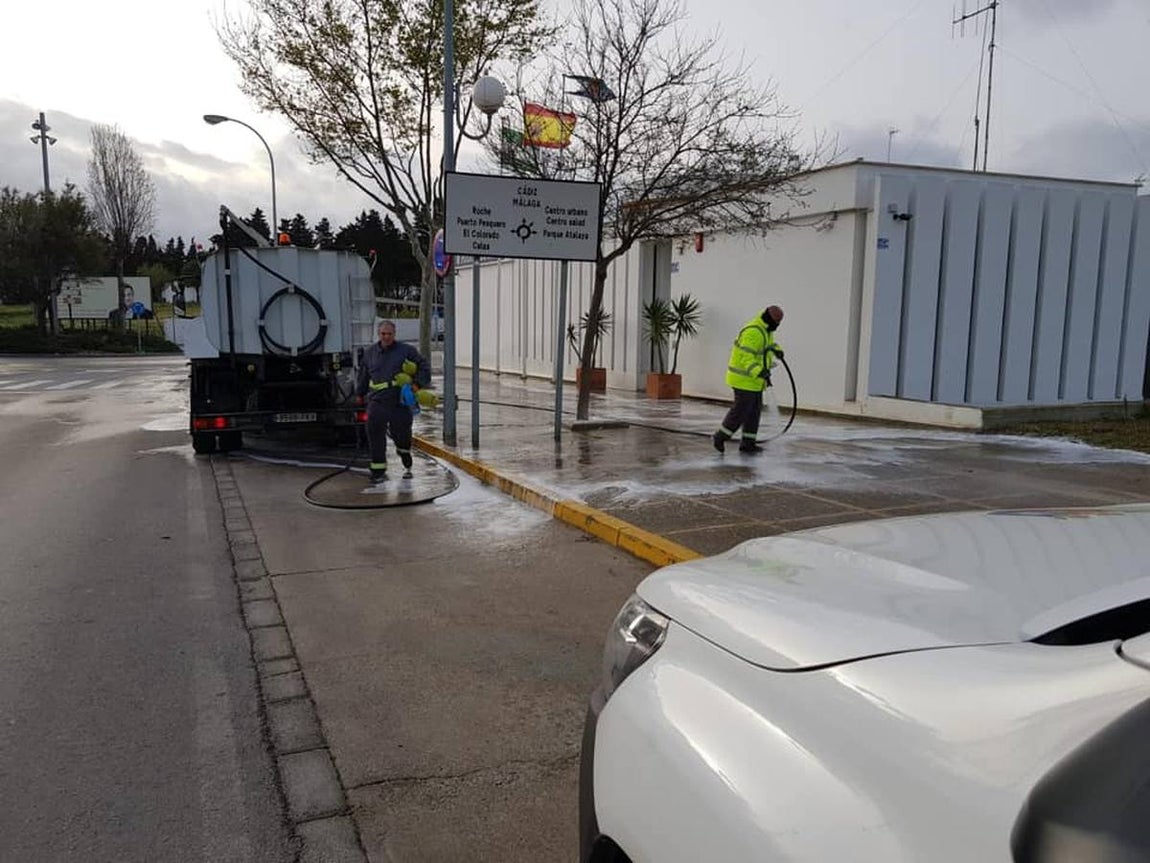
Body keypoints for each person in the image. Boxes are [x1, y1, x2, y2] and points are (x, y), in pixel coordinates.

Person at [356, 320, 431, 482]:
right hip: (377, 402)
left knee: (402, 435)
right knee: (375, 435)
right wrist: (359, 394)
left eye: (389, 334)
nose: (386, 337)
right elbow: (363, 375)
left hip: (400, 403)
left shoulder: (406, 351)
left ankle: (404, 454)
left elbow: (424, 367)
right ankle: (378, 470)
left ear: (394, 334)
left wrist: (417, 384)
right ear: (379, 334)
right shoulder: (370, 353)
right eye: (383, 334)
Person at [712, 305, 785, 455]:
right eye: (776, 323)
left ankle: (748, 443)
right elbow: (746, 357)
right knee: (740, 411)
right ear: (769, 319)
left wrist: (777, 350)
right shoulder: (753, 332)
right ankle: (720, 437)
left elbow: (768, 345)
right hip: (743, 379)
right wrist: (759, 372)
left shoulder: (766, 330)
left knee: (754, 412)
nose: (777, 326)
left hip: (755, 382)